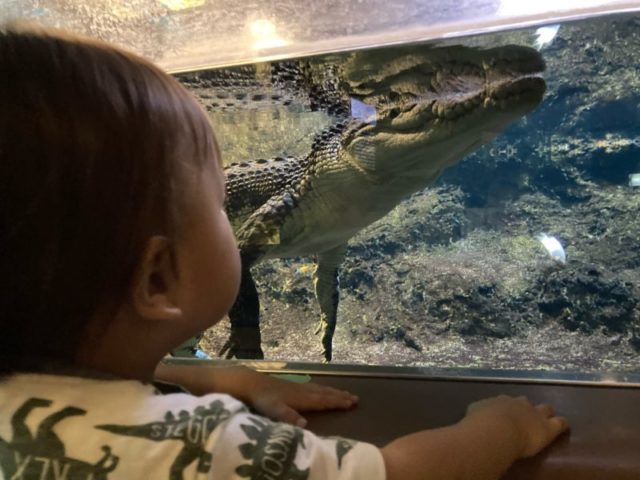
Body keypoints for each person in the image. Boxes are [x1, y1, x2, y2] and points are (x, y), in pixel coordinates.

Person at [0, 24, 569, 480]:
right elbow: (399, 471)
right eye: (221, 204)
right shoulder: (208, 447)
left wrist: (231, 378)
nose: (234, 218)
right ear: (157, 281)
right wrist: (503, 432)